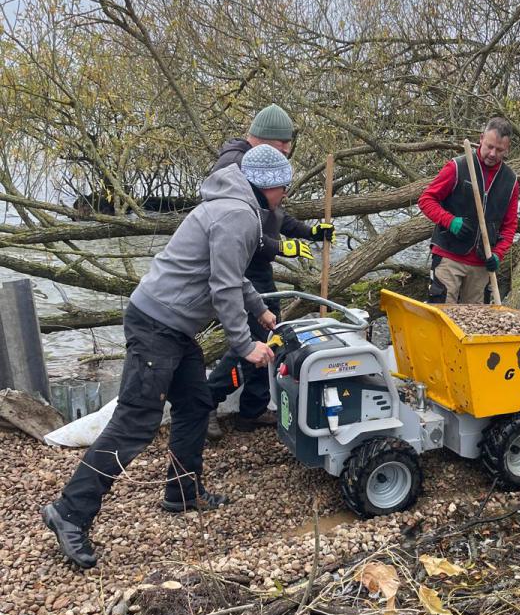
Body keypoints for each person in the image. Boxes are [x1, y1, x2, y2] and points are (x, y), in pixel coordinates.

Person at [40, 145, 289, 570]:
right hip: (158, 326)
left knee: (195, 404)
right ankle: (70, 512)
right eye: (284, 186)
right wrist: (246, 345)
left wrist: (260, 309)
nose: (285, 194)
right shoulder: (238, 215)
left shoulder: (233, 204)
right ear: (270, 184)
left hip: (172, 326)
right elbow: (223, 287)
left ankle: (182, 493)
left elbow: (233, 276)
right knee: (135, 421)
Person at [205, 103, 333, 434]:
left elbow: (275, 215)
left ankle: (252, 409)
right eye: (281, 146)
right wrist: (281, 248)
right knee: (251, 341)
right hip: (241, 270)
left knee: (270, 336)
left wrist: (310, 232)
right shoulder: (236, 166)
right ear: (262, 140)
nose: (285, 153)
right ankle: (207, 400)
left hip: (258, 270)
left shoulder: (260, 163)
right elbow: (242, 230)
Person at [418, 116, 519, 304]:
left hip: (482, 264)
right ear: (481, 139)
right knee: (442, 314)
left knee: (477, 318)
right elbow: (426, 200)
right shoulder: (457, 166)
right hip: (449, 257)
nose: (492, 154)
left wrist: (498, 254)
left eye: (499, 150)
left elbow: (510, 226)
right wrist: (450, 221)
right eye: (489, 146)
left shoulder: (510, 181)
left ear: (507, 149)